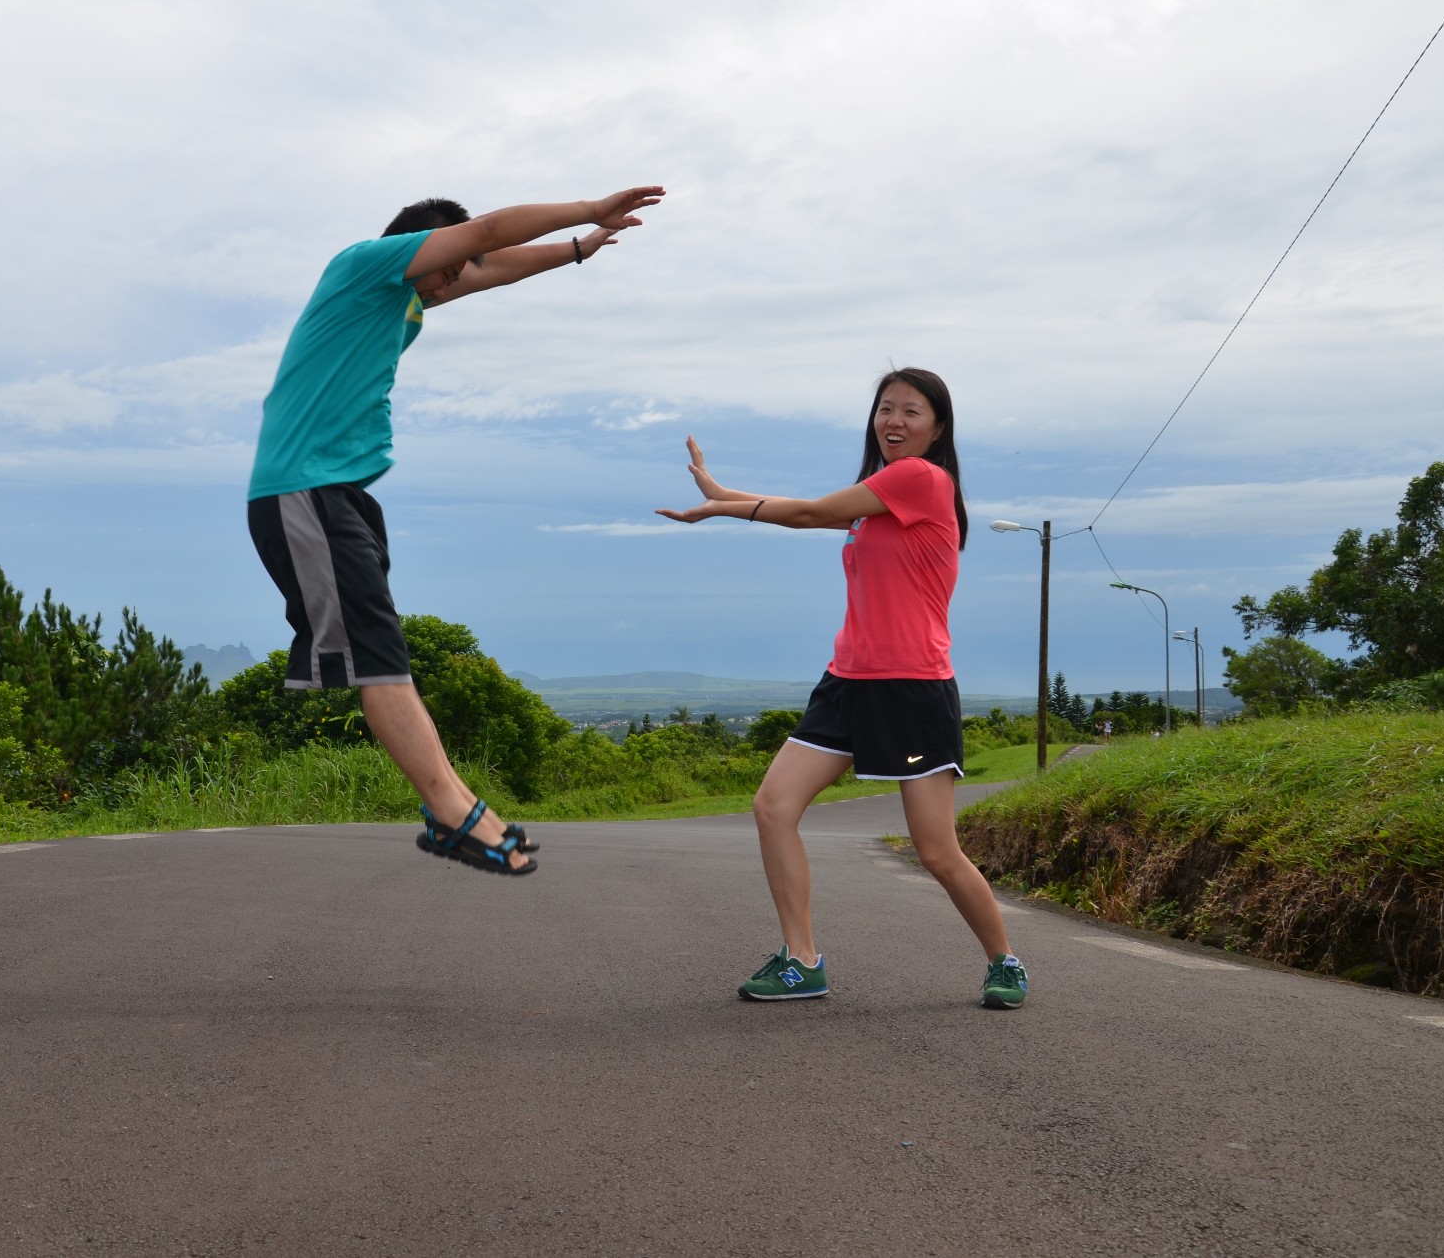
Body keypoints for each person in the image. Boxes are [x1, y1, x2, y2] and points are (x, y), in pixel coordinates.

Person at [248, 186, 666, 876]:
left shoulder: (401, 299)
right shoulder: (365, 263)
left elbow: (491, 267)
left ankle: (456, 806)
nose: (449, 287)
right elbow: (490, 238)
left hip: (335, 492)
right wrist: (589, 208)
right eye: (446, 266)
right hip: (304, 486)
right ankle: (450, 811)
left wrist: (575, 253)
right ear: (421, 247)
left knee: (384, 652)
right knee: (377, 657)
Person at [656, 368, 1029, 1009]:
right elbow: (814, 511)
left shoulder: (921, 480)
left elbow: (807, 513)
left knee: (937, 851)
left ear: (938, 427)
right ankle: (802, 960)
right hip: (847, 681)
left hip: (912, 686)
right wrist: (721, 491)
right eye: (885, 409)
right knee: (774, 808)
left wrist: (723, 507)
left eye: (911, 412)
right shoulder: (878, 497)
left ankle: (1005, 962)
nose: (894, 422)